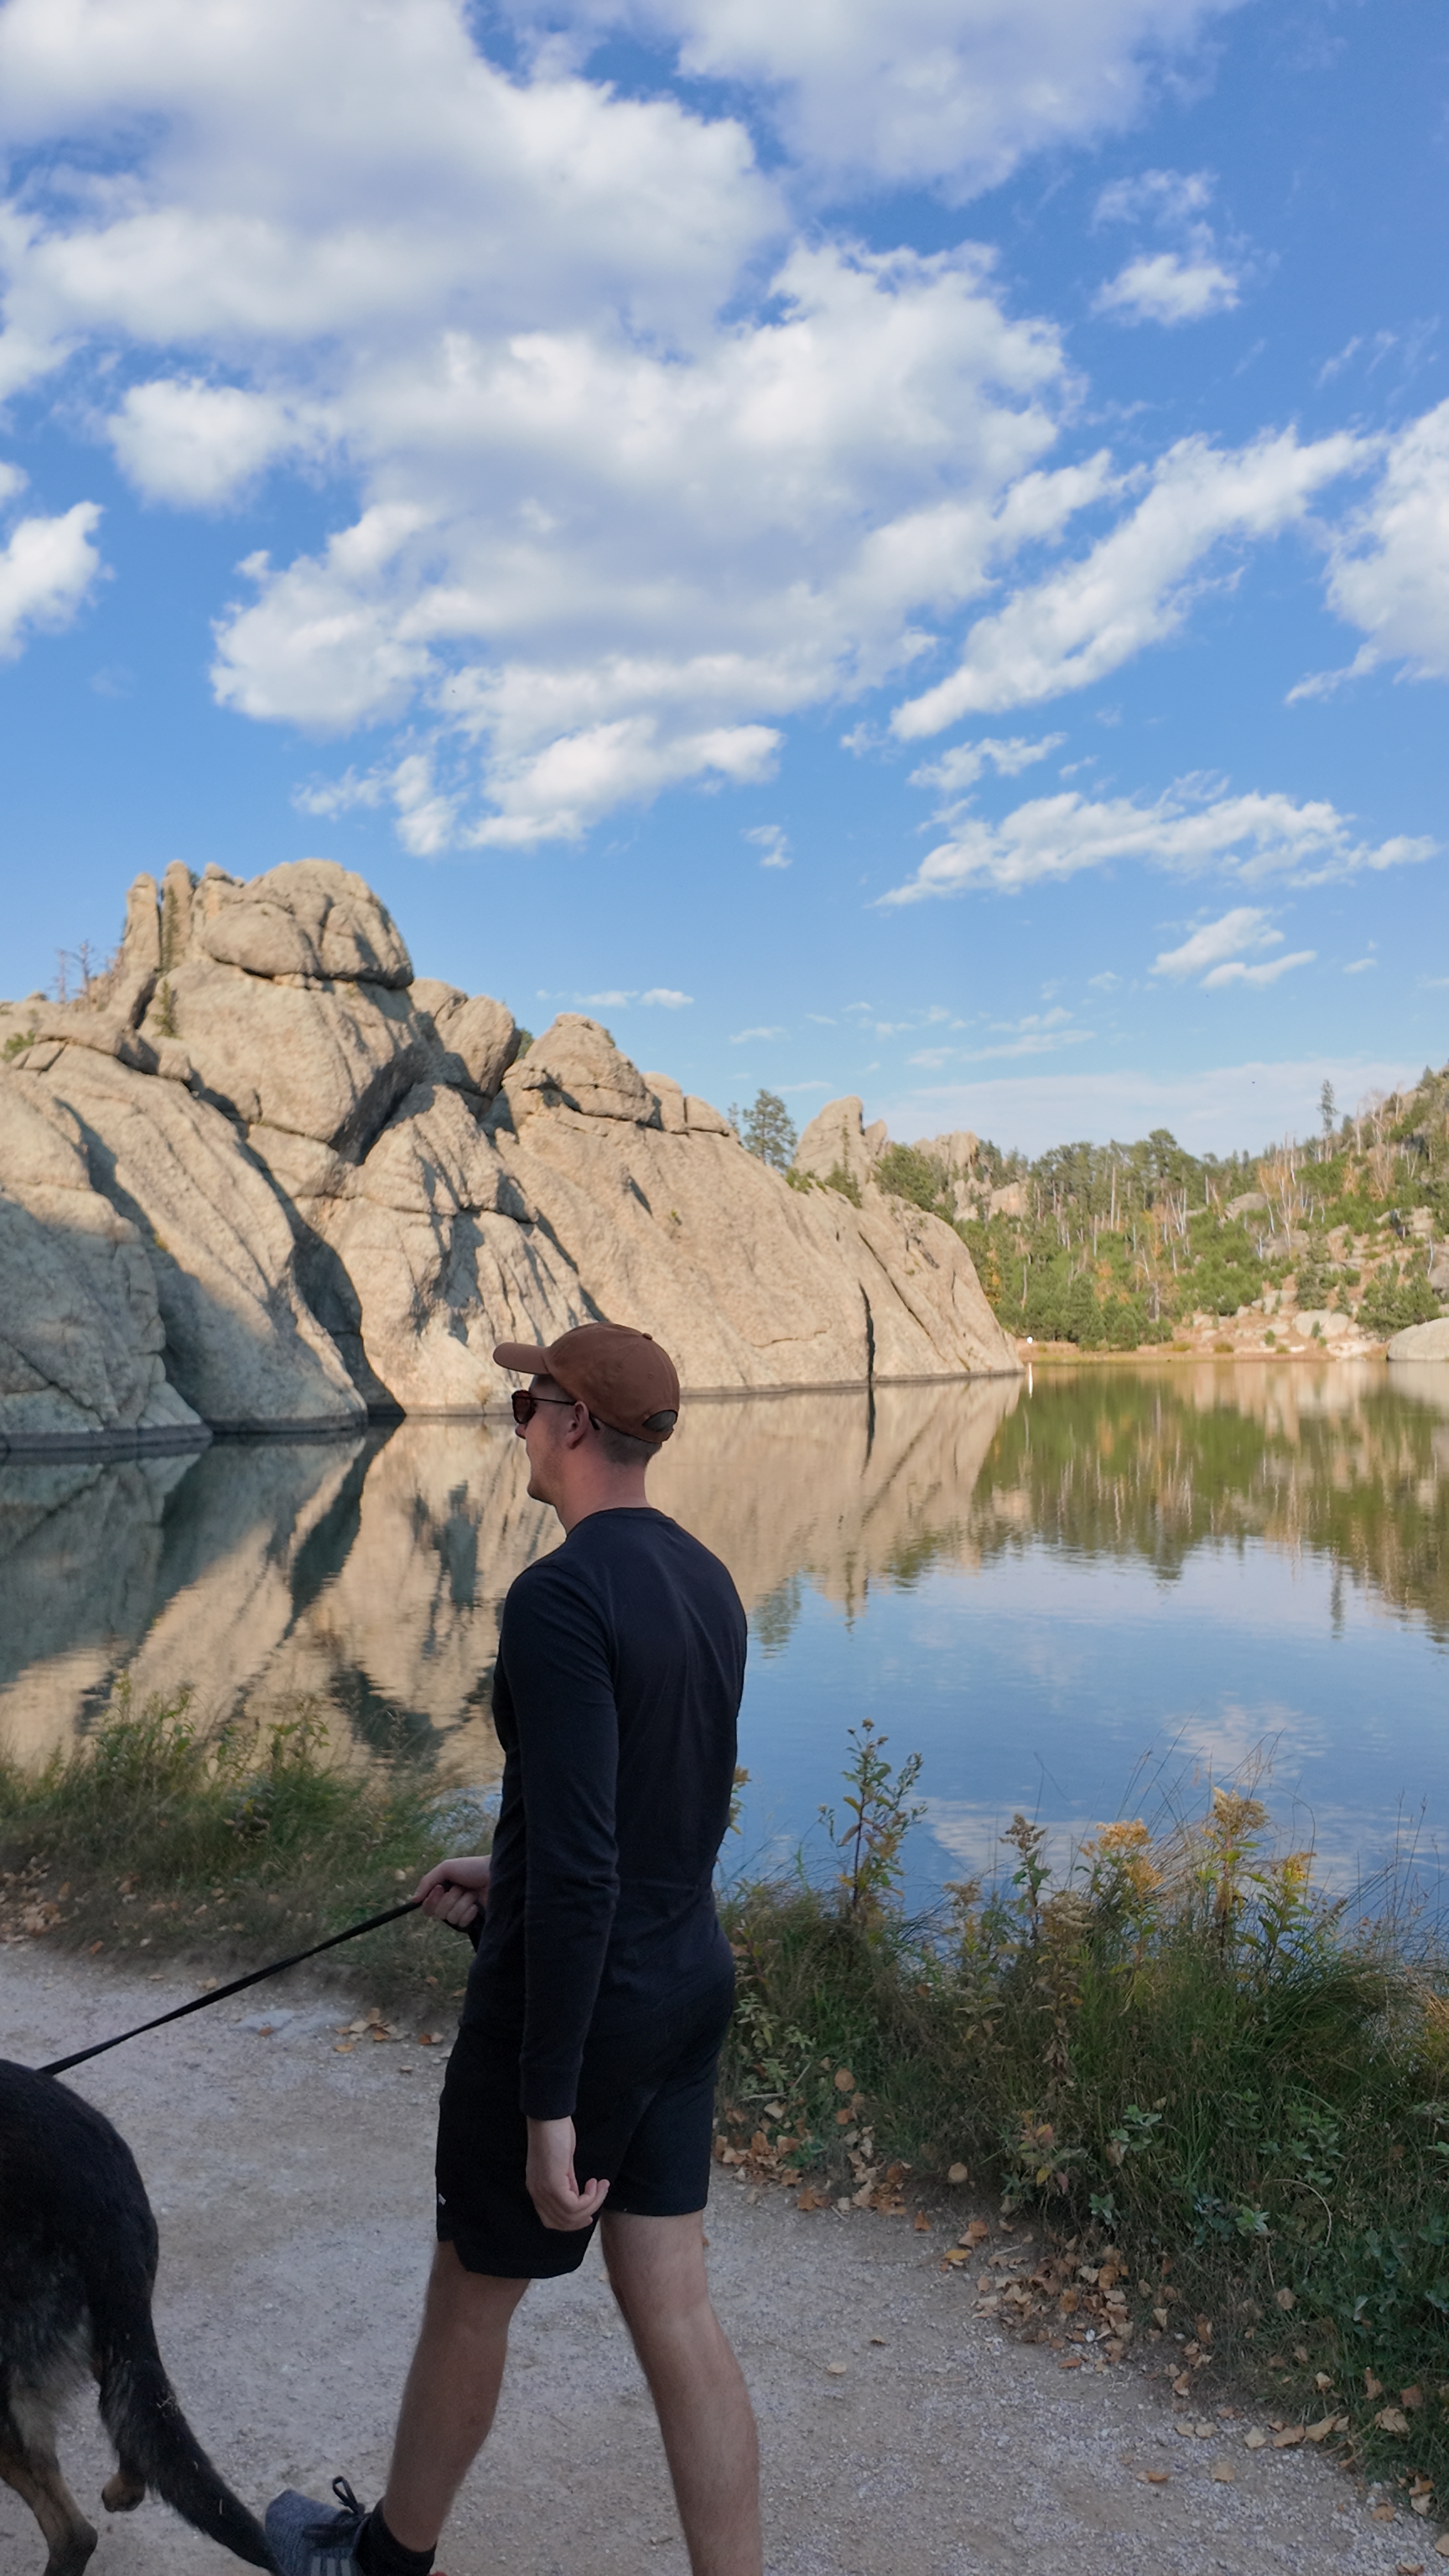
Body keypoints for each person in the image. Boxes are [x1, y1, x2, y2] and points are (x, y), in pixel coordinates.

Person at [267, 1323, 760, 2576]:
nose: (517, 1425)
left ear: (579, 1424)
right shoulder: (707, 1580)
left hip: (577, 2006)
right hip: (685, 1977)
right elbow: (654, 1816)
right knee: (680, 2314)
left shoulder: (560, 1593)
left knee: (470, 2300)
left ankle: (383, 2563)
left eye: (526, 1405)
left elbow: (592, 1867)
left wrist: (548, 2105)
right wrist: (510, 1871)